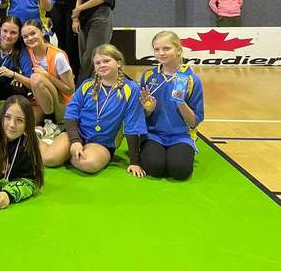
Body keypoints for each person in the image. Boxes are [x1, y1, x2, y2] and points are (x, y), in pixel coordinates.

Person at [39, 44, 146, 177]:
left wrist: (134, 161)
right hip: (76, 135)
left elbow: (133, 125)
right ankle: (37, 139)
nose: (102, 65)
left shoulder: (131, 89)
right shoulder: (87, 85)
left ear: (119, 63)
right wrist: (75, 141)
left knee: (88, 164)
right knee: (49, 159)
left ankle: (64, 152)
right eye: (98, 63)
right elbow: (71, 114)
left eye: (106, 61)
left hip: (102, 143)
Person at [139, 31, 204, 180]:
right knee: (154, 168)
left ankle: (181, 153)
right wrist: (148, 110)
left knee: (180, 171)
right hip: (153, 135)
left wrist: (180, 103)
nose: (161, 53)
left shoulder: (191, 79)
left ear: (178, 50)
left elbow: (194, 122)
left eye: (166, 48)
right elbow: (139, 115)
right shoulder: (148, 76)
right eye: (157, 49)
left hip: (181, 136)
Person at [19, 19, 74, 124]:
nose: (29, 38)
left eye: (33, 33)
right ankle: (46, 119)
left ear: (43, 32)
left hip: (63, 105)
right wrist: (16, 76)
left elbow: (70, 90)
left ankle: (51, 121)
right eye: (25, 37)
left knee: (36, 78)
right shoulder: (27, 52)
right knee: (23, 121)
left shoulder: (58, 56)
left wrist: (47, 75)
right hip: (40, 102)